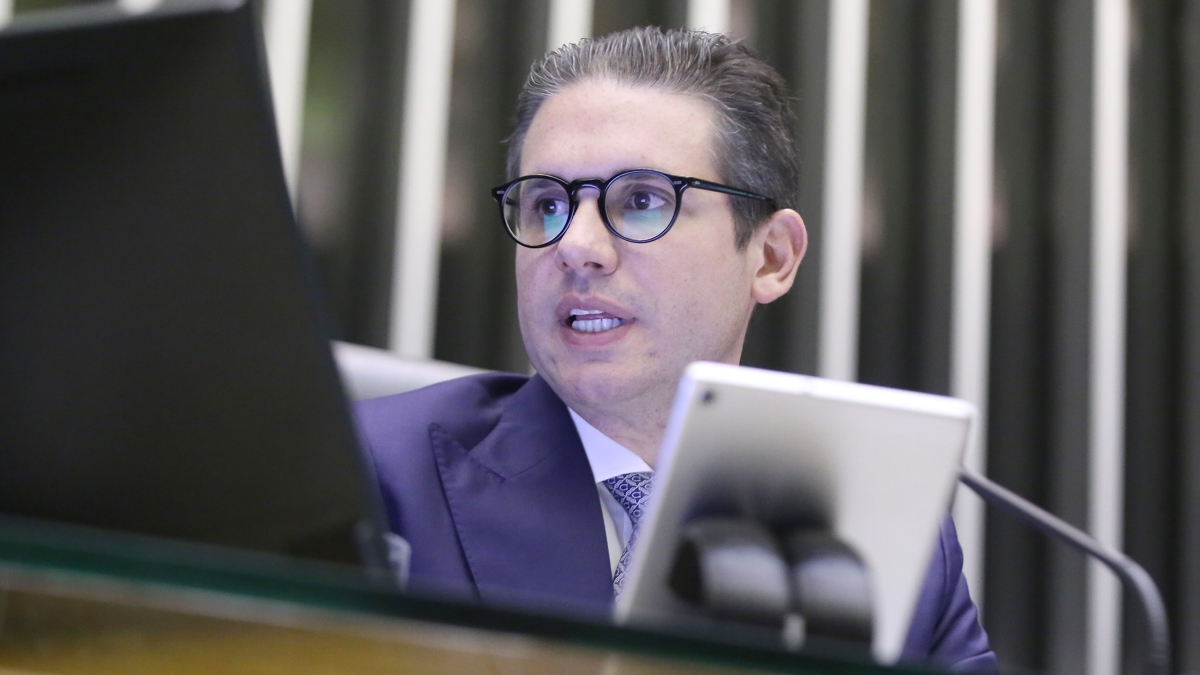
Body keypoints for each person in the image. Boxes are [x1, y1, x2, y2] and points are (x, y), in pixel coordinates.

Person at [356, 27, 996, 671]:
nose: (575, 246)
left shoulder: (881, 537)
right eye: (547, 204)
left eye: (641, 201)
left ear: (772, 257)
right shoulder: (371, 477)